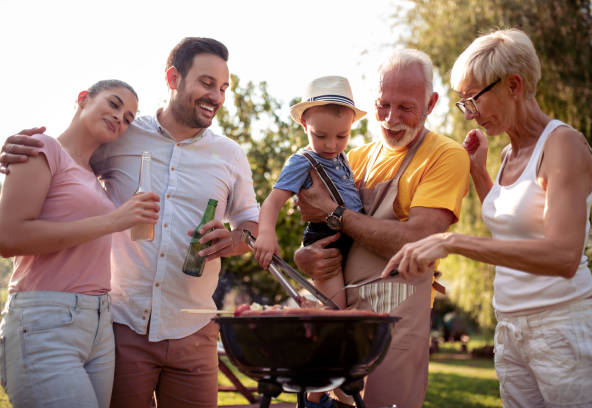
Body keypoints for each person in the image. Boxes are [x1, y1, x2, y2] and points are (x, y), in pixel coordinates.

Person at [0, 37, 259, 408]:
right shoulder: (123, 132)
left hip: (193, 327)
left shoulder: (230, 154)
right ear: (173, 78)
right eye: (206, 83)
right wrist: (22, 149)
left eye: (223, 88)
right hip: (120, 326)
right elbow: (68, 157)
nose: (216, 96)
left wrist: (234, 241)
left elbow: (251, 224)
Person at [381, 29, 592, 407]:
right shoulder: (507, 154)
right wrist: (480, 174)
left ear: (514, 86)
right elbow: (517, 230)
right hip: (511, 329)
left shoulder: (563, 145)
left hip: (562, 328)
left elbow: (563, 257)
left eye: (473, 99)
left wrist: (452, 242)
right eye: (463, 102)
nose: (469, 113)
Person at [294, 49, 470, 408]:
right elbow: (315, 234)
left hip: (396, 329)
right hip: (339, 322)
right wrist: (305, 258)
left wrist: (335, 213)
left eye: (405, 107)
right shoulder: (352, 159)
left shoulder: (446, 156)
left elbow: (416, 239)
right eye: (382, 104)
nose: (391, 119)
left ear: (431, 103)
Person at [0, 80, 160, 407]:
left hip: (99, 323)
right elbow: (8, 237)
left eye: (129, 117)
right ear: (83, 99)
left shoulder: (91, 176)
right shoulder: (42, 147)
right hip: (46, 319)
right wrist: (115, 221)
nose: (120, 118)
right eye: (114, 104)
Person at [254, 75, 366, 307]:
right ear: (305, 125)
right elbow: (273, 202)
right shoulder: (302, 161)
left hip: (354, 232)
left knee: (358, 299)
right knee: (335, 308)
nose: (331, 145)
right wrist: (266, 233)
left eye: (341, 136)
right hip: (326, 239)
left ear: (351, 126)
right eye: (320, 135)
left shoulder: (343, 157)